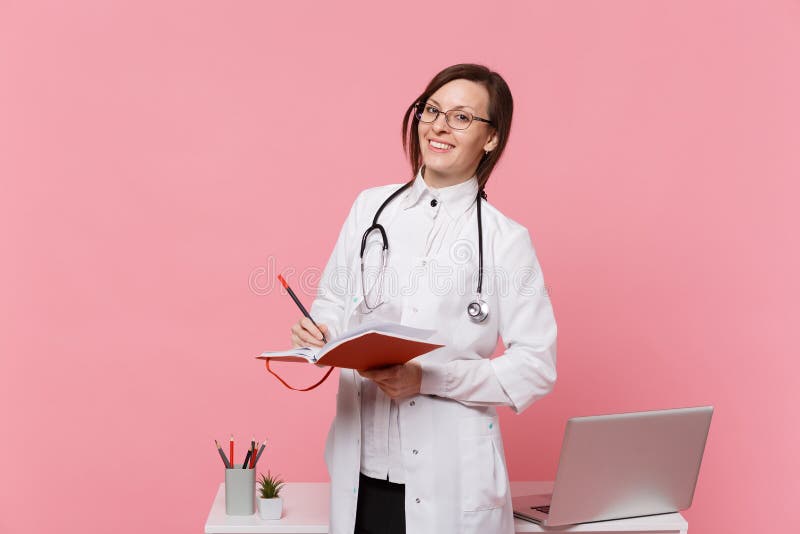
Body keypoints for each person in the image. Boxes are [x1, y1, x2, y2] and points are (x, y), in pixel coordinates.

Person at [289, 63, 558, 534]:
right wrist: (321, 331)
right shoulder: (369, 208)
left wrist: (430, 379)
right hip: (363, 474)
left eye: (460, 117)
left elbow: (535, 366)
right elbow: (332, 301)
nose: (438, 125)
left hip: (452, 481)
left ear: (491, 139)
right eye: (431, 109)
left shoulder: (505, 240)